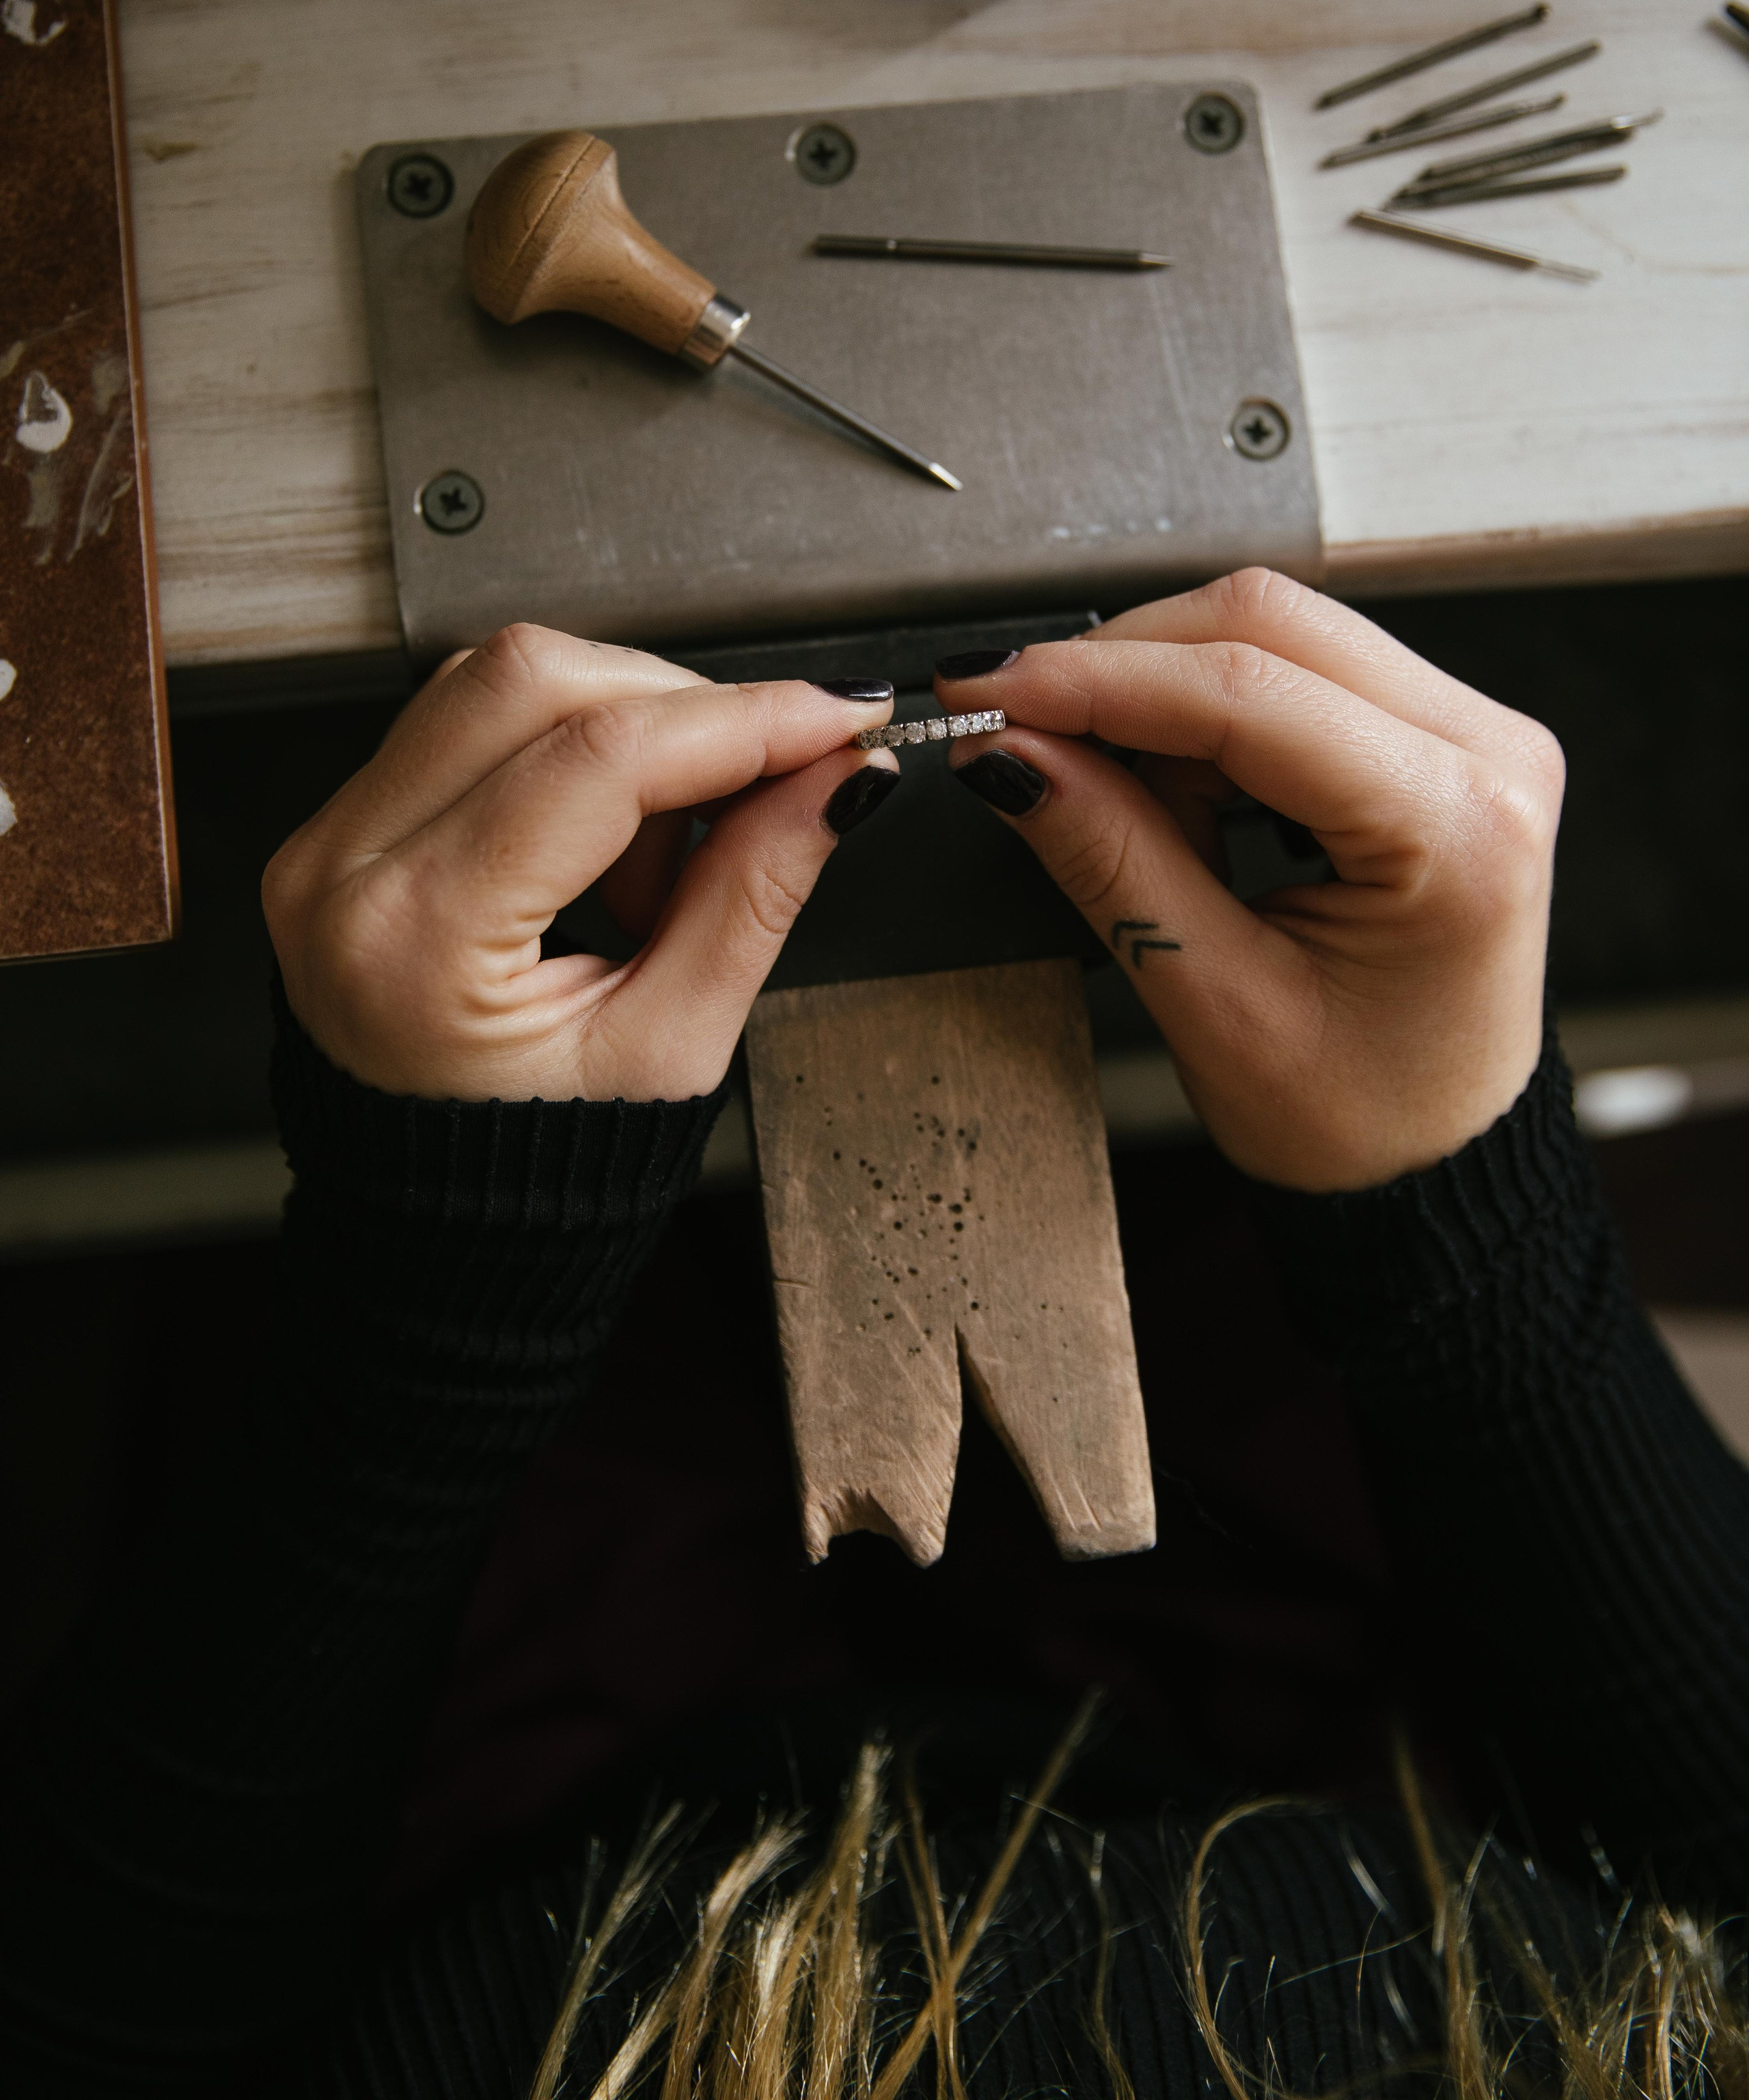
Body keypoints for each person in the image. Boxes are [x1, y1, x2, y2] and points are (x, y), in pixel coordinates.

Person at [1, 568, 1746, 2099]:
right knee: (1186, 1206)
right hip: (1287, 1679)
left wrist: (435, 1302)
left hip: (489, 1763)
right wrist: (1455, 1223)